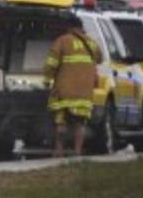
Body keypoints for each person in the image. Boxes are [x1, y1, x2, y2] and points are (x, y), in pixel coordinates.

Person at [44, 20, 103, 157]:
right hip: (84, 93)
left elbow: (51, 63)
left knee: (60, 121)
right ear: (82, 28)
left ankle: (58, 151)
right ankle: (77, 152)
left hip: (64, 91)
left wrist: (47, 80)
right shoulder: (91, 43)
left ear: (69, 27)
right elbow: (100, 59)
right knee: (80, 123)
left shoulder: (62, 41)